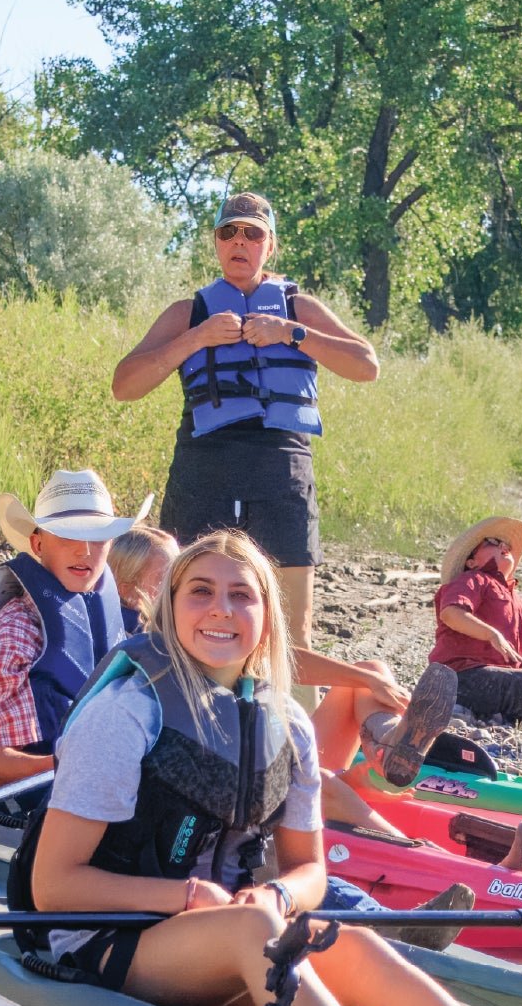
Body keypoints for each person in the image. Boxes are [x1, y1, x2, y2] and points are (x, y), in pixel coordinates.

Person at [14, 529, 522, 1006]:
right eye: (200, 591)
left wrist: (278, 891)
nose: (221, 609)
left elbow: (310, 870)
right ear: (169, 611)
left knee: (345, 939)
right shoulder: (126, 714)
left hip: (228, 937)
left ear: (267, 618)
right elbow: (55, 888)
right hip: (101, 942)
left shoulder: (289, 726)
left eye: (241, 595)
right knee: (256, 929)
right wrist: (191, 896)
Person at [111, 190, 378, 657]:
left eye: (252, 233)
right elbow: (125, 385)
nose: (240, 241)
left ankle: (288, 730)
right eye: (228, 232)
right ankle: (188, 720)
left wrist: (290, 333)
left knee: (293, 630)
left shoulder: (299, 307)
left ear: (268, 246)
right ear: (215, 243)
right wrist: (196, 338)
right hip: (203, 474)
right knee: (187, 621)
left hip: (283, 474)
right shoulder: (187, 313)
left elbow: (366, 364)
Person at [0, 470, 151, 794]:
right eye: (67, 536)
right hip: (34, 810)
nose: (84, 551)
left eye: (97, 538)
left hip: (103, 792)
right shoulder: (10, 635)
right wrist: (80, 760)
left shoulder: (113, 625)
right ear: (37, 543)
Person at [429, 517, 522, 729]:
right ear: (471, 561)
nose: (504, 547)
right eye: (492, 542)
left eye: (505, 544)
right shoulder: (472, 579)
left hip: (503, 679)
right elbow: (450, 613)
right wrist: (491, 635)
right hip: (459, 676)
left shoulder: (519, 603)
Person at [107, 526, 180, 633]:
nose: (176, 586)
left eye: (178, 576)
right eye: (163, 581)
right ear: (127, 591)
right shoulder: (141, 640)